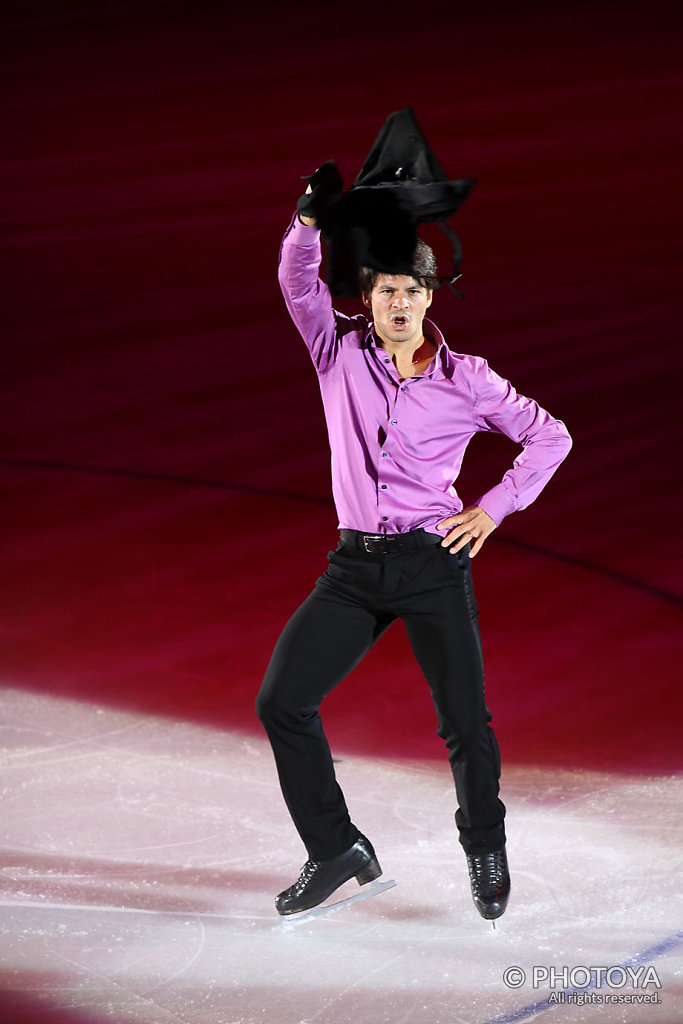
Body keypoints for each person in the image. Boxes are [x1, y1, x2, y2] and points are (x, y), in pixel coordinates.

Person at [256, 187, 572, 921]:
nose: (398, 303)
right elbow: (295, 283)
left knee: (465, 722)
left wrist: (491, 509)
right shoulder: (334, 351)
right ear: (365, 299)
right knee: (282, 702)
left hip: (430, 564)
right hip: (355, 570)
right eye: (386, 290)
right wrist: (306, 223)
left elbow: (549, 436)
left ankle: (484, 847)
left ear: (430, 297)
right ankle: (335, 849)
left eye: (412, 290)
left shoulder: (469, 380)